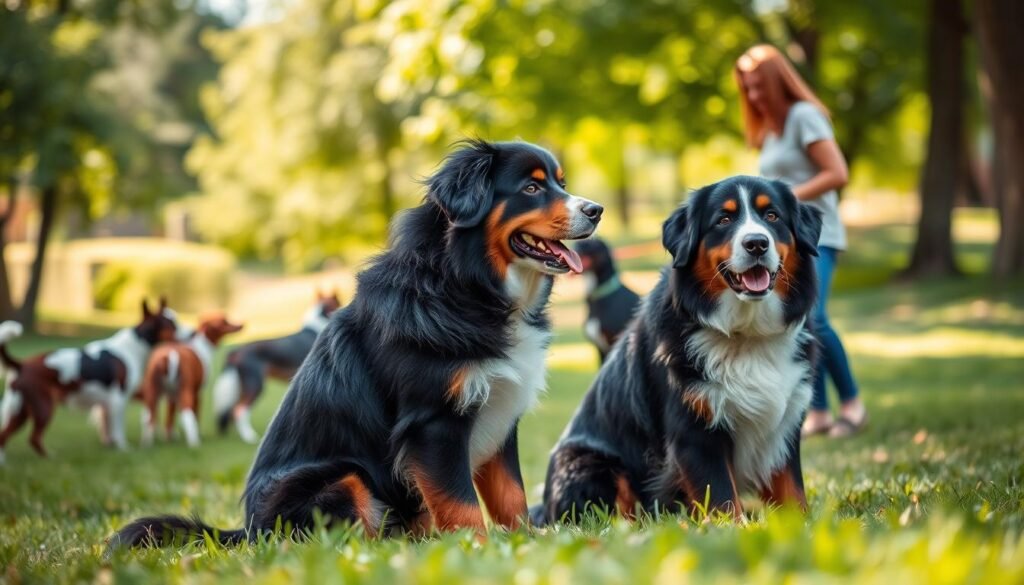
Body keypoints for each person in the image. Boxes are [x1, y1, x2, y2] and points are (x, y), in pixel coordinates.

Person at [734, 44, 867, 438]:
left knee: (814, 317)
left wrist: (785, 200)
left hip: (817, 233)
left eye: (759, 85)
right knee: (799, 322)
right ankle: (820, 412)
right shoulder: (770, 132)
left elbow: (837, 172)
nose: (754, 95)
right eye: (747, 88)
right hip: (783, 242)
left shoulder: (804, 117)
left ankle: (853, 405)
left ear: (778, 80)